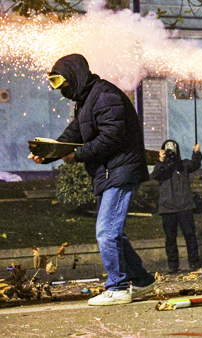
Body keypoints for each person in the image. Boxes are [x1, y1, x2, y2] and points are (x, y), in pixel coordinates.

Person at [29, 54, 155, 305]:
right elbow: (74, 133)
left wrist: (78, 154)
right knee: (113, 232)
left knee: (106, 232)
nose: (61, 90)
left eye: (61, 83)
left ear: (74, 76)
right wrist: (49, 153)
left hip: (120, 171)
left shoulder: (105, 95)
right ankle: (142, 281)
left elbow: (111, 137)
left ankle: (118, 287)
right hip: (110, 171)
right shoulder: (86, 100)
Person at [151, 139, 202, 274]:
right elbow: (155, 175)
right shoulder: (161, 167)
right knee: (170, 238)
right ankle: (173, 265)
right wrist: (161, 161)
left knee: (190, 235)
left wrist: (196, 153)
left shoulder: (183, 165)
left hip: (184, 206)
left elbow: (195, 164)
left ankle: (194, 263)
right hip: (168, 208)